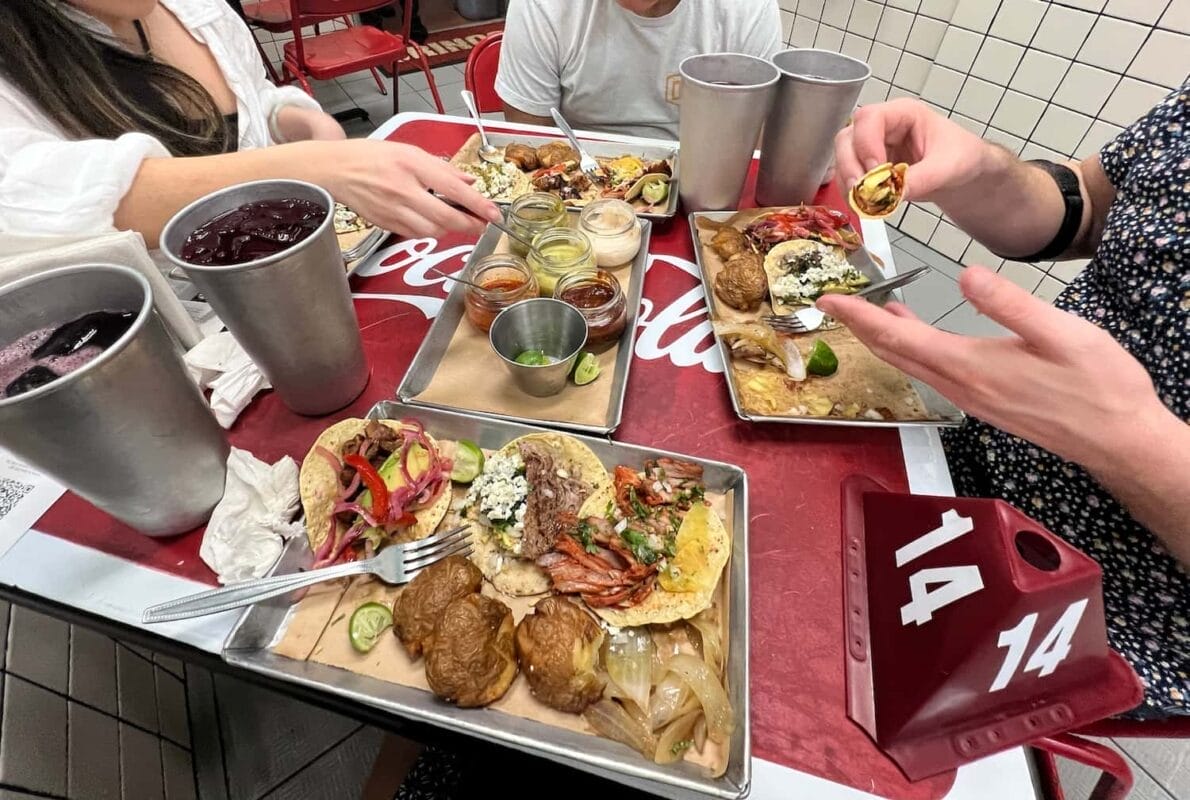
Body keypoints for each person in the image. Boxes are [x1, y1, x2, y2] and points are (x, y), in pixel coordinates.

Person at [823, 87, 1190, 718]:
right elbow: (1089, 206)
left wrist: (1129, 442)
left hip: (1106, 600)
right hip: (985, 451)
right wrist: (985, 175)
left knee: (836, 692)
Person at [0, 0, 499, 249]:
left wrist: (296, 122)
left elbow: (253, 99)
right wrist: (309, 168)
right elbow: (34, 199)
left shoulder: (198, 10)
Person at [495, 0, 782, 140]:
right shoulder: (544, 5)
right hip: (575, 189)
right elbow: (527, 141)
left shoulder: (745, 7)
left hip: (705, 189)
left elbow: (755, 145)